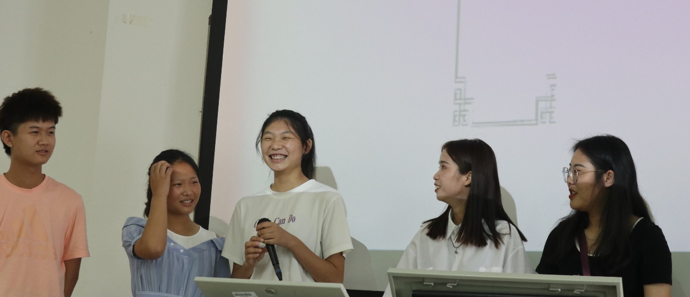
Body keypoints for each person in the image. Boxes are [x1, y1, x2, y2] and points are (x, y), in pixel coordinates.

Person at [383, 139, 532, 297]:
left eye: (443, 167)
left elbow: (524, 292)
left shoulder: (504, 236)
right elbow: (394, 292)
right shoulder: (426, 235)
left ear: (468, 177)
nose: (436, 176)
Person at [223, 110, 353, 282]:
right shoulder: (246, 205)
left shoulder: (327, 199)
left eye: (286, 137)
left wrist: (290, 241)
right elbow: (235, 283)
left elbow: (334, 278)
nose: (275, 145)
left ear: (306, 146)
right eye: (268, 138)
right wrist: (249, 264)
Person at [536, 135, 672, 297]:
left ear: (608, 178)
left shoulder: (647, 237)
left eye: (578, 171)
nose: (569, 180)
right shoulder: (562, 236)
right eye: (569, 171)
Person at [0, 87, 89, 297]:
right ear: (8, 138)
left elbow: (72, 269)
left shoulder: (70, 201)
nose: (45, 140)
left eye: (50, 132)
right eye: (34, 132)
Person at [122, 149, 230, 297]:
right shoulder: (137, 230)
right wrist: (159, 194)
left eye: (194, 182)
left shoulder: (214, 243)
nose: (188, 191)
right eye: (178, 184)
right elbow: (154, 248)